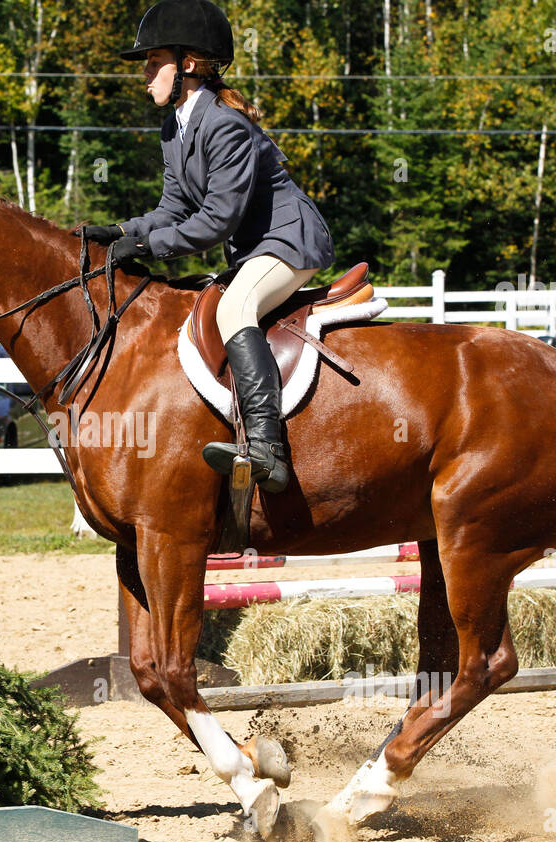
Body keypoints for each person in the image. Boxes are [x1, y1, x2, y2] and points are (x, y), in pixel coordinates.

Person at [77, 0, 334, 493]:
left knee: (235, 308)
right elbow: (173, 207)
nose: (146, 75)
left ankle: (266, 448)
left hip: (289, 240)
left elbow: (217, 219)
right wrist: (121, 231)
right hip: (256, 248)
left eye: (155, 63)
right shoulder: (175, 125)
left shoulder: (225, 124)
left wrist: (147, 247)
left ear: (189, 65)